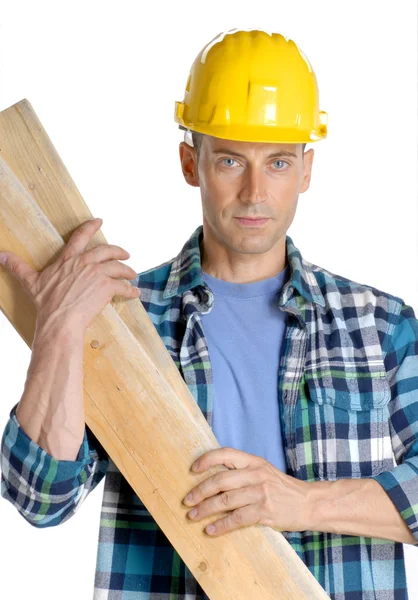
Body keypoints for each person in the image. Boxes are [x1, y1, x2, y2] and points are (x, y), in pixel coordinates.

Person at [0, 28, 417, 600]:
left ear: (306, 171)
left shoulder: (380, 325)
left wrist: (298, 500)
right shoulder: (123, 318)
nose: (254, 192)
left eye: (277, 163)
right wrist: (59, 328)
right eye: (229, 160)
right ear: (190, 163)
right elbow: (39, 499)